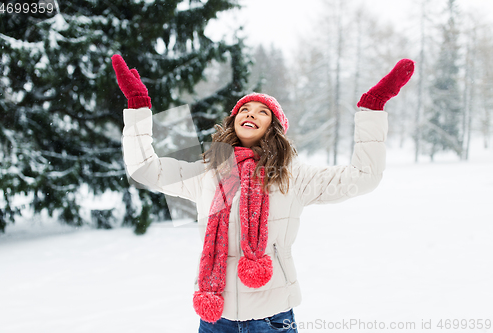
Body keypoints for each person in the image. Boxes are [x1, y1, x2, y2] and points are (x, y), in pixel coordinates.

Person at [112, 54, 415, 333]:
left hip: (272, 319)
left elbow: (364, 177)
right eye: (244, 109)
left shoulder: (292, 176)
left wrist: (372, 108)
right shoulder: (208, 173)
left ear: (275, 127)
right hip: (215, 319)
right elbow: (145, 168)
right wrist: (138, 105)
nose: (250, 114)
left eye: (262, 112)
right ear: (233, 121)